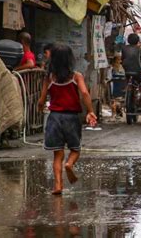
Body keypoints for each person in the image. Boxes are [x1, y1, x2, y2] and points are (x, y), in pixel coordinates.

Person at [38, 44, 97, 195]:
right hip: (71, 117)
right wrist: (90, 111)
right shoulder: (76, 76)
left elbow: (42, 99)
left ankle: (58, 185)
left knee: (57, 154)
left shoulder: (49, 78)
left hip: (54, 118)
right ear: (70, 59)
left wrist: (39, 108)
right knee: (75, 149)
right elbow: (84, 93)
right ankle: (69, 164)